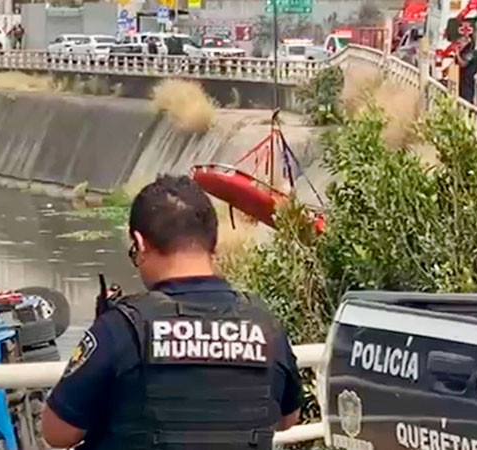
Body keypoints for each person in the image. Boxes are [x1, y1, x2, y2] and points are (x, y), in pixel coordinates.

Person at [42, 175, 303, 449]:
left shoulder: (121, 329)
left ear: (140, 244)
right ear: (213, 243)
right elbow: (287, 418)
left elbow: (57, 433)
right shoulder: (265, 326)